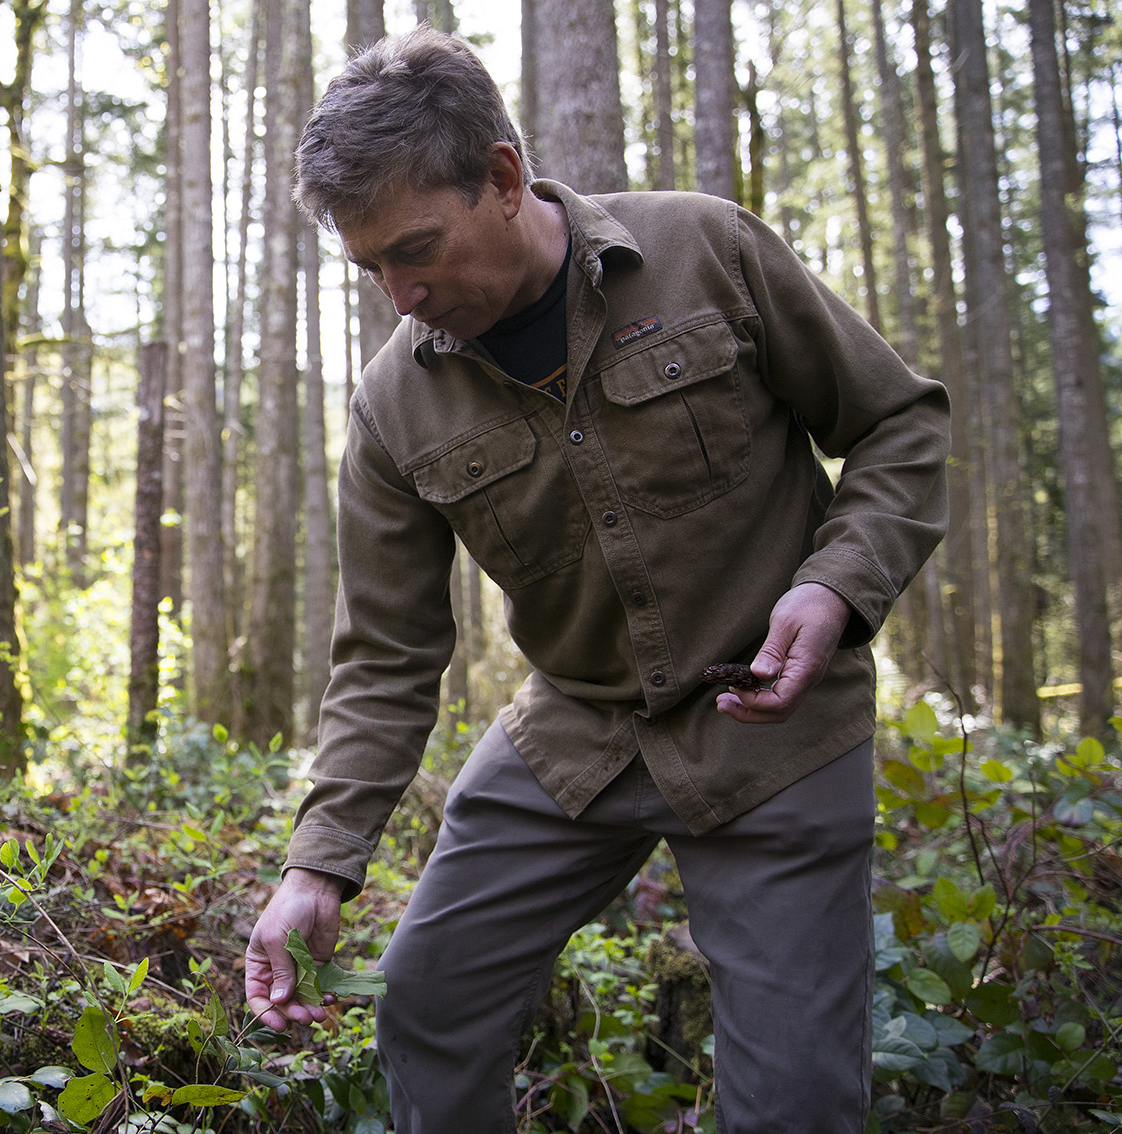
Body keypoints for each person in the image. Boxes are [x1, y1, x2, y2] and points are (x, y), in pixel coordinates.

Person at [243, 26, 950, 1134]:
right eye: (371, 265)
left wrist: (836, 584)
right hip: (573, 735)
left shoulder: (705, 250)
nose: (401, 294)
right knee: (426, 1004)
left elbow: (897, 422)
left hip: (776, 728)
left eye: (416, 247)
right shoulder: (393, 404)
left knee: (794, 1101)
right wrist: (316, 869)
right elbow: (384, 655)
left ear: (503, 175)